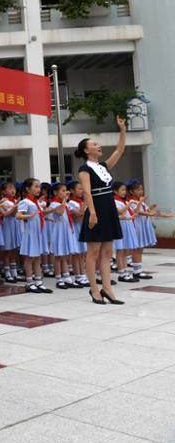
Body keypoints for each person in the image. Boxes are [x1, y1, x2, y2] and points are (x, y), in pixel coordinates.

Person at [76, 117, 126, 305]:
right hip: (96, 211)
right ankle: (94, 289)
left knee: (107, 253)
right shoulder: (84, 169)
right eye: (94, 144)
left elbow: (119, 150)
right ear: (86, 150)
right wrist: (93, 213)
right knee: (93, 253)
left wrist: (122, 130)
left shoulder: (103, 166)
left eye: (98, 144)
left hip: (109, 209)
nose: (98, 146)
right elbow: (87, 192)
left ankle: (107, 288)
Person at [16, 178, 53, 294]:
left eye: (39, 187)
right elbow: (18, 216)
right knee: (29, 258)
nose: (39, 189)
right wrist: (29, 216)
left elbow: (38, 215)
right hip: (30, 233)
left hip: (38, 232)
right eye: (36, 187)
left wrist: (50, 212)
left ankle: (38, 282)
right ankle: (29, 282)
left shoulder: (36, 202)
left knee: (38, 258)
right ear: (28, 189)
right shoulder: (25, 202)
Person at [112, 182, 140, 284]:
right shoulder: (114, 201)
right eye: (122, 190)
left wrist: (138, 203)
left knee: (124, 251)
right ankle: (121, 273)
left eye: (125, 190)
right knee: (120, 250)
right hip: (121, 227)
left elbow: (133, 212)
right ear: (115, 191)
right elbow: (120, 212)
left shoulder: (123, 201)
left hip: (126, 225)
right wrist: (129, 203)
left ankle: (124, 271)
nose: (124, 192)